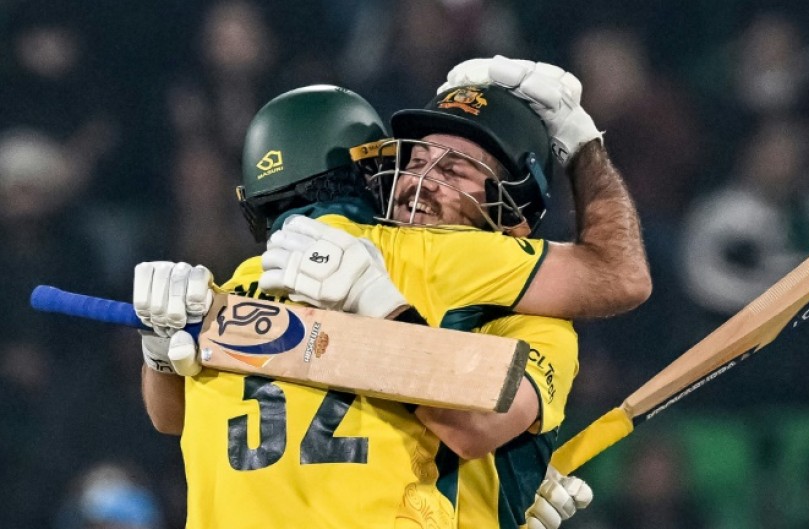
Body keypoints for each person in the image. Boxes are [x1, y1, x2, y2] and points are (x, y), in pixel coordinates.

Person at [140, 58, 643, 528]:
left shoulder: (513, 306)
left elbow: (473, 427)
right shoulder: (319, 267)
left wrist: (508, 480)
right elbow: (175, 414)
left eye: (452, 170)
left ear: (513, 212)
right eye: (414, 160)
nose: (419, 182)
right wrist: (159, 352)